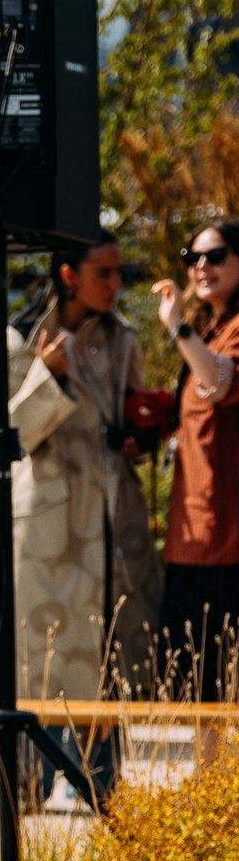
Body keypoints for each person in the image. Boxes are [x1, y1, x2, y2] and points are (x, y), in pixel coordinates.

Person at [7, 239, 162, 796]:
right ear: (69, 274)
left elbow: (132, 419)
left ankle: (102, 793)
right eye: (105, 272)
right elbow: (11, 433)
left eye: (120, 272)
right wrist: (46, 374)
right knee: (42, 655)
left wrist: (143, 432)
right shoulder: (20, 335)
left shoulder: (124, 340)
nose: (116, 283)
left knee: (109, 653)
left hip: (112, 516)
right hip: (48, 524)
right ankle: (28, 789)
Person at [153, 222, 239, 705]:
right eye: (193, 256)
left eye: (217, 255)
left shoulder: (223, 333)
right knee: (196, 685)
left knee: (223, 687)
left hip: (228, 543)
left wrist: (177, 327)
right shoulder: (210, 331)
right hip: (191, 537)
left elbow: (222, 382)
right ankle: (211, 782)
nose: (201, 266)